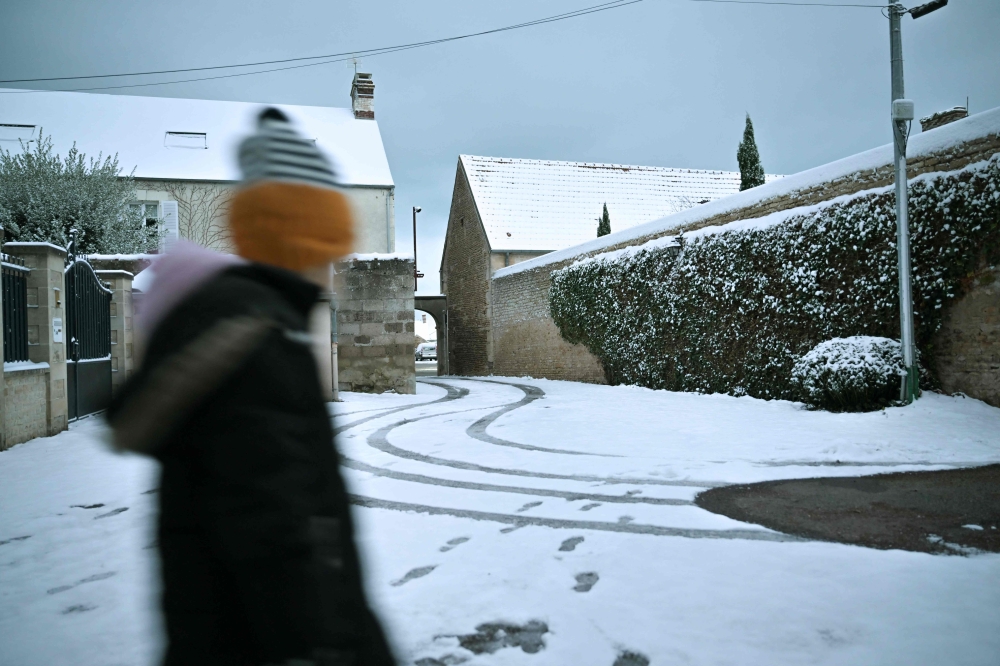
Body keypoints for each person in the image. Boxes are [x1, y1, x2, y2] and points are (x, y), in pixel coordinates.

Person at [108, 108, 396, 666]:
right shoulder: (259, 344)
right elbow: (285, 534)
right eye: (329, 246)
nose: (335, 265)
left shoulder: (240, 325)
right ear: (302, 242)